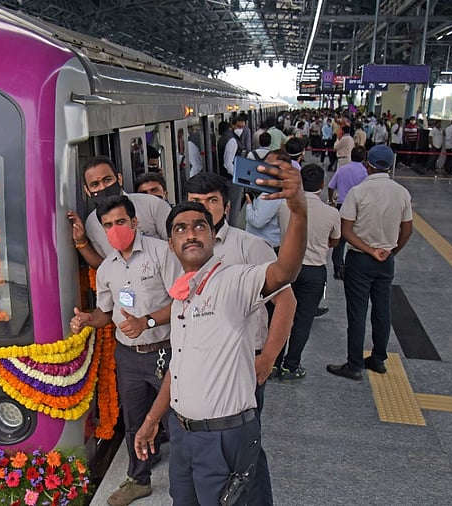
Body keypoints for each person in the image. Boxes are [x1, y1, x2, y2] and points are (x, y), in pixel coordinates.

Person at [133, 158, 307, 506]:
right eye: (180, 228)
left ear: (214, 233)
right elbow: (178, 368)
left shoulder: (232, 278)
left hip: (224, 434)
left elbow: (285, 272)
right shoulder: (182, 296)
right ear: (170, 244)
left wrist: (299, 211)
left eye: (200, 225)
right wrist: (153, 419)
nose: (191, 232)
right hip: (183, 433)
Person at [184, 172, 297, 506]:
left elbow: (286, 301)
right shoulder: (183, 248)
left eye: (211, 202)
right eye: (195, 202)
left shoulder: (250, 247)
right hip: (201, 364)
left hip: (245, 362)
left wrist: (268, 358)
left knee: (246, 444)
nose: (202, 210)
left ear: (227, 206)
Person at [69, 195, 178, 506]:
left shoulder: (161, 253)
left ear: (134, 222)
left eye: (120, 222)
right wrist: (89, 319)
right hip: (128, 354)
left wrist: (148, 321)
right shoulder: (107, 269)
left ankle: (188, 481)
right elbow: (107, 312)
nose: (114, 229)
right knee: (133, 419)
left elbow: (182, 300)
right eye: (107, 225)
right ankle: (138, 478)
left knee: (175, 419)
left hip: (164, 350)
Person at [327, 145, 413, 381]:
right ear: (390, 165)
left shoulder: (358, 192)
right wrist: (391, 251)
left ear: (368, 164)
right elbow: (407, 229)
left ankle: (354, 364)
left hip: (360, 260)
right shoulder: (402, 193)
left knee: (357, 312)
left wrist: (370, 250)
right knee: (382, 310)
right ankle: (378, 359)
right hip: (386, 261)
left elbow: (346, 231)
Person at [273, 164, 340, 380]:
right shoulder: (331, 213)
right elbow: (335, 240)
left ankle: (274, 362)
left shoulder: (284, 207)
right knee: (303, 320)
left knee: (280, 316)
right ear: (322, 185)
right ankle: (291, 366)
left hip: (286, 268)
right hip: (314, 271)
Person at [67, 156, 172, 269]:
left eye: (107, 180)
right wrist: (81, 242)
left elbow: (175, 245)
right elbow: (104, 266)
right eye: (95, 184)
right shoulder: (92, 223)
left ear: (119, 179)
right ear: (87, 191)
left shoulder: (153, 205)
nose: (103, 187)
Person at [327, 146, 368, 280]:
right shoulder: (365, 173)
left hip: (342, 205)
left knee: (340, 238)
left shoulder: (342, 169)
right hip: (359, 208)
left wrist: (331, 200)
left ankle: (338, 266)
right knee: (358, 236)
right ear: (364, 158)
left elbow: (331, 186)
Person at [244, 151, 290, 251]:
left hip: (264, 247)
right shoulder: (281, 188)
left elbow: (257, 222)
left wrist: (249, 205)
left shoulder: (272, 195)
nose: (263, 169)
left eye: (268, 166)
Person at [216, 121, 243, 226]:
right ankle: (232, 228)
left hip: (225, 178)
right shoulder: (232, 140)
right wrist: (238, 176)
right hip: (231, 179)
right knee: (234, 208)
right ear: (231, 128)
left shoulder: (222, 139)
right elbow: (228, 163)